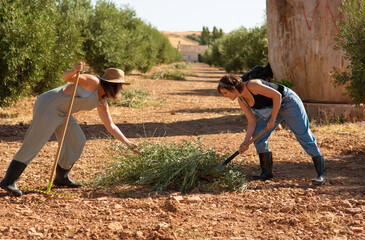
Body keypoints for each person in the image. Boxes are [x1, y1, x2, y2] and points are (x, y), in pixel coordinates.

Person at [0, 62, 139, 196]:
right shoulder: (93, 82)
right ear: (113, 85)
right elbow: (66, 77)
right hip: (48, 105)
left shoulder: (102, 101)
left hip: (64, 112)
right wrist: (74, 70)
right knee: (35, 142)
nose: (121, 88)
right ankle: (9, 181)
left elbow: (111, 126)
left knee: (77, 140)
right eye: (120, 85)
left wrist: (127, 143)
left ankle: (61, 178)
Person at [217, 74, 326, 185]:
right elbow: (252, 122)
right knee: (258, 135)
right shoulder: (242, 100)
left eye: (225, 92)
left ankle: (321, 174)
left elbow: (277, 96)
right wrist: (246, 142)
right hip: (272, 109)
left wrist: (273, 119)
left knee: (303, 134)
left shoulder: (252, 85)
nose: (225, 96)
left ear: (233, 88)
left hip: (288, 102)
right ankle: (266, 172)